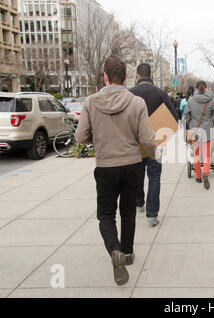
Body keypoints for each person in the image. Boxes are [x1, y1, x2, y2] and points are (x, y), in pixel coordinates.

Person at [75, 57, 156, 286]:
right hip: (132, 165)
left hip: (106, 167)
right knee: (128, 212)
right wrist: (151, 153)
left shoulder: (90, 102)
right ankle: (128, 253)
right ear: (126, 78)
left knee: (106, 214)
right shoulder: (137, 103)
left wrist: (98, 138)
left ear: (105, 77)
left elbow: (80, 137)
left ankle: (114, 250)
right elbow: (147, 138)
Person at [129, 63, 179, 227]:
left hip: (135, 142)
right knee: (154, 178)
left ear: (137, 76)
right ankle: (152, 215)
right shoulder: (160, 93)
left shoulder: (130, 94)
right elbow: (174, 118)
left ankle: (139, 203)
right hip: (155, 143)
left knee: (137, 175)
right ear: (150, 76)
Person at [184, 81, 214, 190]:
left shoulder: (191, 101)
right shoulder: (211, 101)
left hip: (194, 131)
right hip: (208, 130)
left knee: (196, 154)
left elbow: (186, 115)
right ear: (206, 88)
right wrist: (213, 122)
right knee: (207, 155)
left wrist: (191, 123)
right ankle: (206, 172)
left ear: (196, 89)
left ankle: (199, 177)